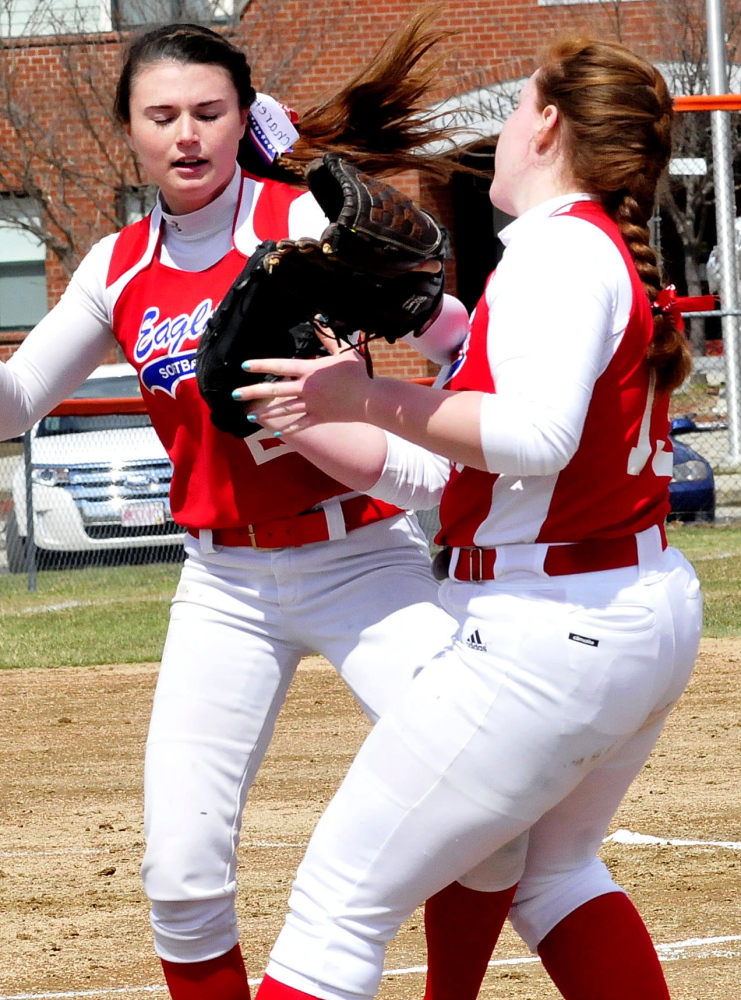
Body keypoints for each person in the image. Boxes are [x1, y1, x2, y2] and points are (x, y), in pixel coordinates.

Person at [0, 18, 477, 1000]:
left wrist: (429, 322)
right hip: (224, 582)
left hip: (363, 559)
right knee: (179, 873)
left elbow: (453, 346)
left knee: (482, 785)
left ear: (240, 120)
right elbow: (17, 402)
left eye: (208, 112)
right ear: (129, 129)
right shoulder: (117, 266)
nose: (186, 134)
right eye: (162, 115)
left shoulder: (297, 223)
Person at [233, 37, 703, 1000]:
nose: (501, 125)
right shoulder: (583, 247)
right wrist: (340, 402)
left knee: (334, 916)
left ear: (547, 123)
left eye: (520, 99)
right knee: (553, 875)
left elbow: (531, 439)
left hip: (551, 628)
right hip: (622, 601)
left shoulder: (560, 250)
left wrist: (362, 395)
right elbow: (467, 470)